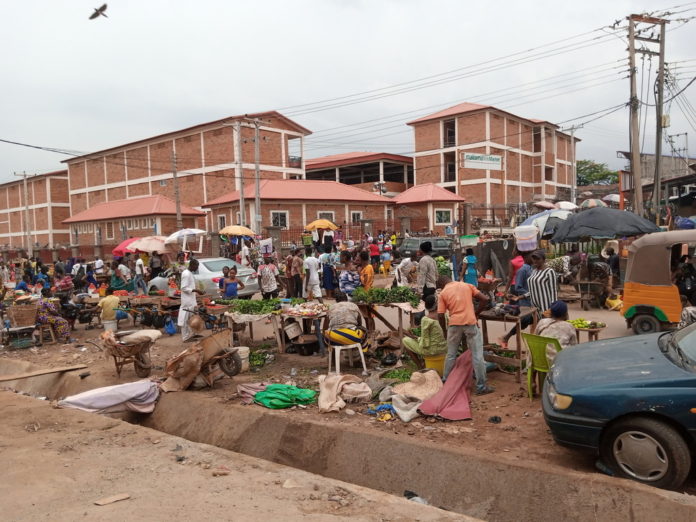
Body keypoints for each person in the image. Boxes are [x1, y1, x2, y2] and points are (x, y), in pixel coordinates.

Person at [437, 275, 492, 394]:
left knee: (451, 354)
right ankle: (481, 386)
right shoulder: (467, 285)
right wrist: (476, 313)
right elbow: (485, 299)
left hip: (454, 324)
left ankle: (446, 381)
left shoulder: (443, 293)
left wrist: (445, 330)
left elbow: (440, 315)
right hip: (470, 322)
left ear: (442, 285)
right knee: (477, 355)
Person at [498, 252, 534, 348]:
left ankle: (508, 336)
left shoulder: (518, 262)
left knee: (527, 318)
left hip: (518, 289)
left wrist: (506, 290)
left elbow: (510, 277)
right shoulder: (524, 267)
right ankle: (507, 336)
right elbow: (516, 283)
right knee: (523, 317)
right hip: (521, 290)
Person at [533, 300, 578, 365]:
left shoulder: (542, 322)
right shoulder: (569, 326)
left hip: (539, 360)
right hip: (558, 363)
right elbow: (574, 346)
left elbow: (535, 337)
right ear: (565, 313)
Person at [179, 258, 204, 342]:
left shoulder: (189, 273)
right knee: (186, 319)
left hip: (191, 300)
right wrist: (196, 290)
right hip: (187, 301)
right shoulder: (186, 274)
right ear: (192, 265)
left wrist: (197, 290)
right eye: (197, 266)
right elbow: (184, 288)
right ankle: (185, 337)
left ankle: (191, 335)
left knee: (191, 318)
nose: (197, 268)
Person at [526, 250, 558, 315]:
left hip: (546, 305)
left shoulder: (549, 271)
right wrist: (521, 296)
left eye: (538, 259)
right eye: (534, 259)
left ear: (543, 260)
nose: (535, 261)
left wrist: (553, 307)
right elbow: (534, 289)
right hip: (534, 305)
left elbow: (554, 290)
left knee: (545, 323)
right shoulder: (534, 271)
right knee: (537, 324)